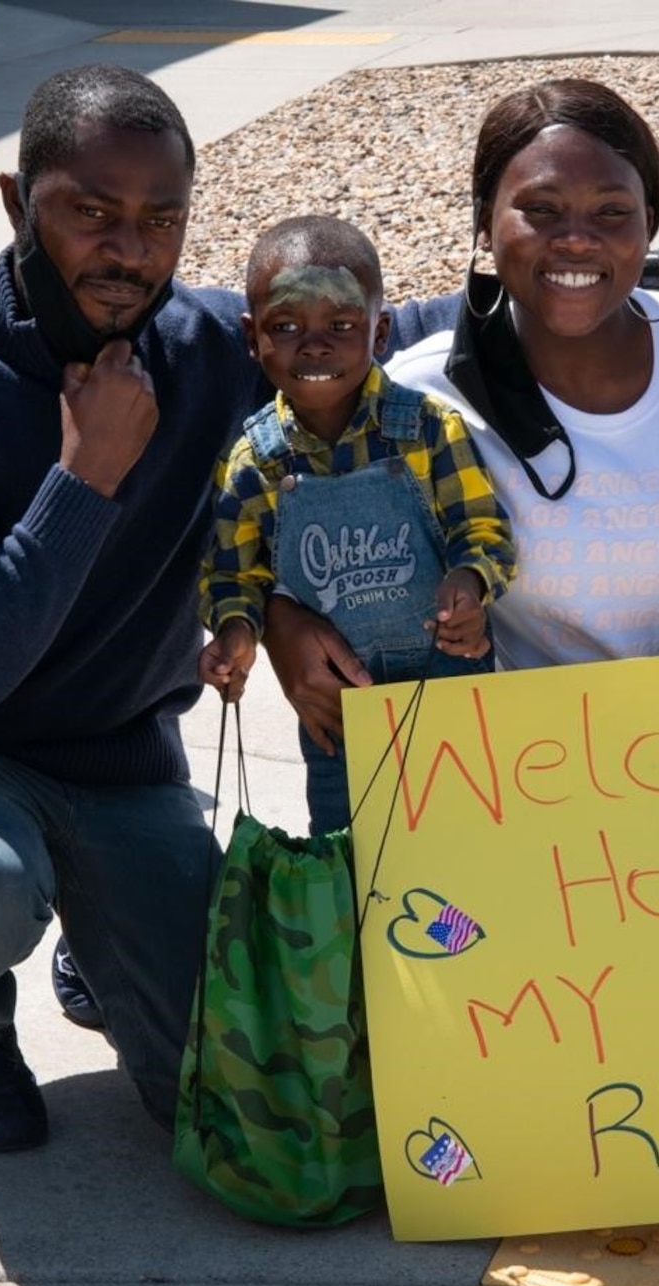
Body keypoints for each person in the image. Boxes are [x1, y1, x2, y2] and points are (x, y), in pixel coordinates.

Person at [0, 63, 659, 1153]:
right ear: (13, 201)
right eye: (89, 212)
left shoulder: (219, 344)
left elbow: (411, 316)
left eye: (158, 218)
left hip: (124, 764)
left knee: (243, 1103)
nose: (127, 249)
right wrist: (82, 483)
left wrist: (632, 258)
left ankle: (105, 916)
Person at [263, 78, 659, 744]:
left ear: (650, 224)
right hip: (553, 788)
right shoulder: (420, 401)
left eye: (611, 212)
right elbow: (301, 522)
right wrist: (277, 617)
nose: (576, 240)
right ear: (484, 222)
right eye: (540, 209)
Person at [198, 216, 516, 835]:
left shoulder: (427, 431)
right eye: (285, 327)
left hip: (450, 683)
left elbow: (484, 530)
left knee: (471, 844)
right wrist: (236, 633)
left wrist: (471, 582)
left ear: (381, 332)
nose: (314, 346)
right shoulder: (254, 464)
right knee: (357, 858)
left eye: (341, 326)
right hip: (337, 711)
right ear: (250, 336)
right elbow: (231, 574)